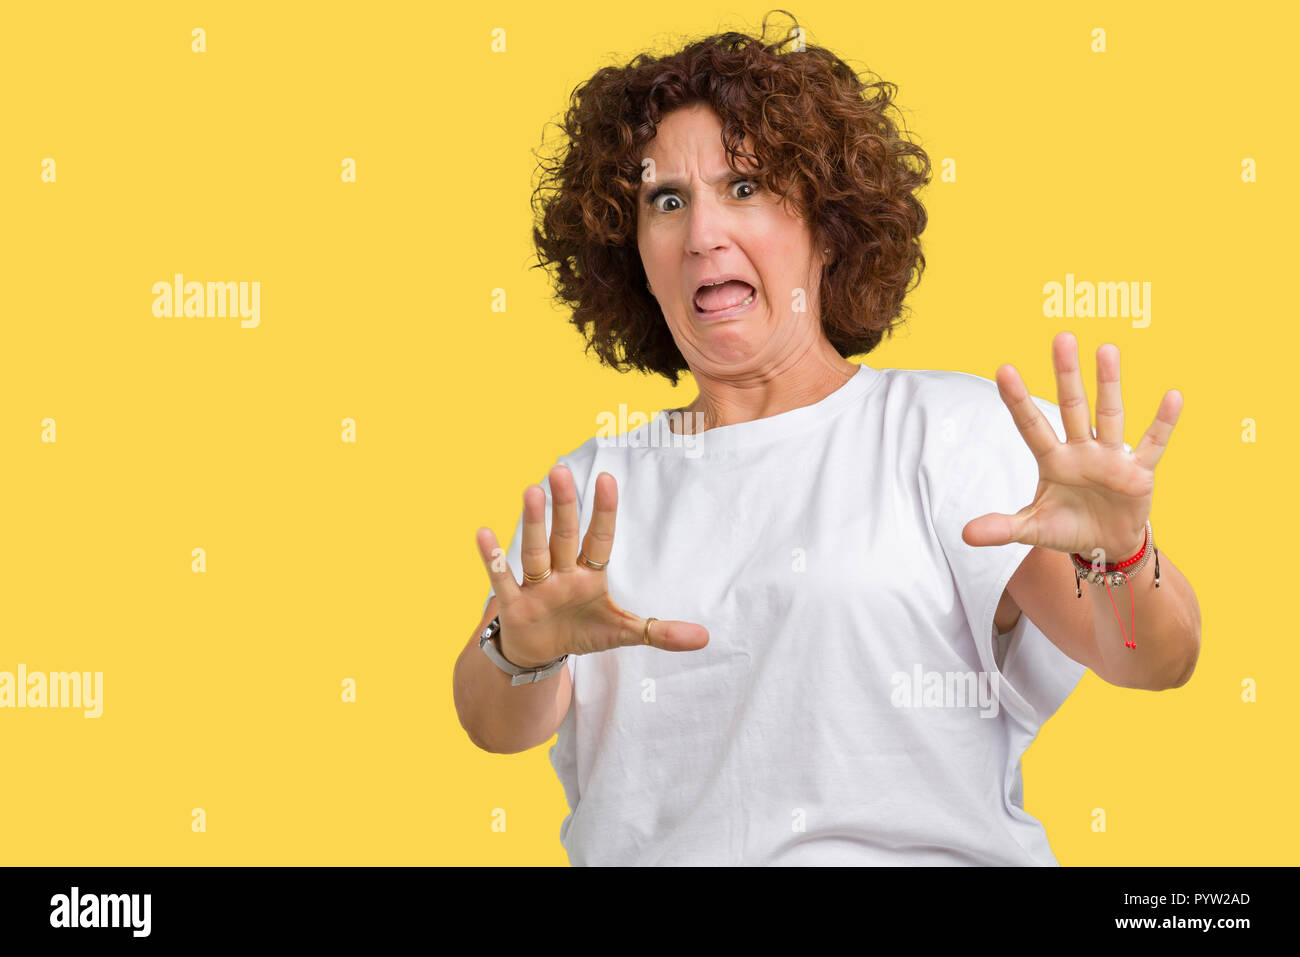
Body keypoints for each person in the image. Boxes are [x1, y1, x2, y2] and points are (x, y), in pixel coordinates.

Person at [451, 12, 1201, 866]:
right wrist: (524, 651)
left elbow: (1153, 660)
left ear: (826, 225)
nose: (704, 236)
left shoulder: (944, 434)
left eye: (744, 188)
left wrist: (1123, 551)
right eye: (668, 200)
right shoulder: (594, 488)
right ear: (635, 252)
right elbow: (492, 725)